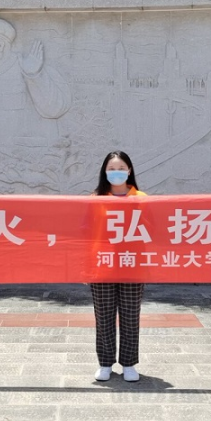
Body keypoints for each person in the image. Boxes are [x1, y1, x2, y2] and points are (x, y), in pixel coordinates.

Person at [0, 17, 71, 148]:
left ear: (0, 45)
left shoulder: (33, 68)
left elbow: (55, 110)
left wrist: (34, 76)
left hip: (25, 157)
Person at [90, 151, 147, 382]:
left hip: (132, 264)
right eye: (112, 168)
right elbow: (85, 234)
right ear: (105, 172)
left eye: (121, 168)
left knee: (130, 315)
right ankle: (105, 363)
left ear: (129, 171)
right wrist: (85, 265)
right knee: (103, 316)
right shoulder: (95, 199)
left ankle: (129, 363)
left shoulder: (141, 198)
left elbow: (152, 230)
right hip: (102, 264)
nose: (117, 172)